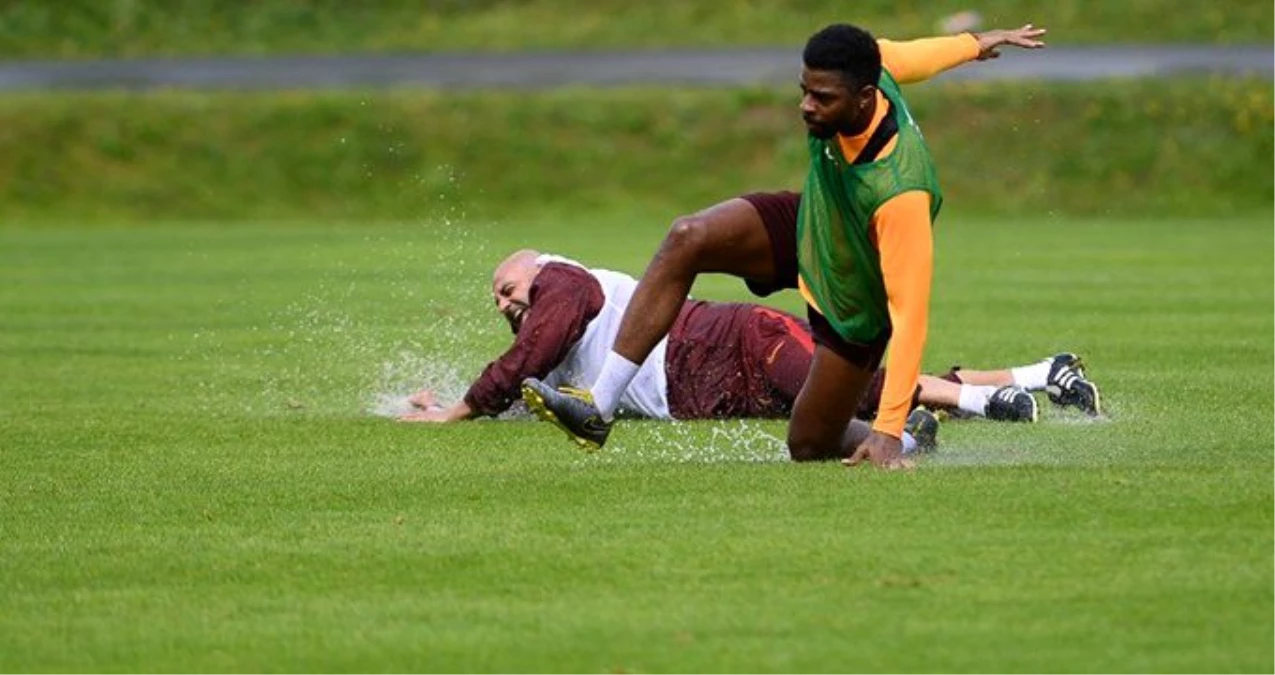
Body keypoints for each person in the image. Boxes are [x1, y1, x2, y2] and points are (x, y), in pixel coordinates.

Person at [522, 22, 1048, 468]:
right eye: (804, 90)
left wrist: (887, 431)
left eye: (823, 98)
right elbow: (916, 55)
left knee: (809, 443)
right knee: (688, 237)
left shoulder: (900, 192)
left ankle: (913, 435)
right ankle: (598, 407)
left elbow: (909, 315)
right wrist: (977, 42)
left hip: (854, 296)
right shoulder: (870, 66)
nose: (806, 106)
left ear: (865, 98)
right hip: (809, 224)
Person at [401, 250, 1100, 449]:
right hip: (713, 381)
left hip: (733, 341)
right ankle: (1043, 373)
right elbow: (534, 384)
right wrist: (460, 406)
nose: (505, 302)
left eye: (506, 286)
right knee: (862, 388)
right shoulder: (545, 326)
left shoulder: (561, 282)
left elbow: (533, 351)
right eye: (496, 299)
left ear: (536, 269)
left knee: (850, 394)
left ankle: (984, 401)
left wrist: (459, 411)